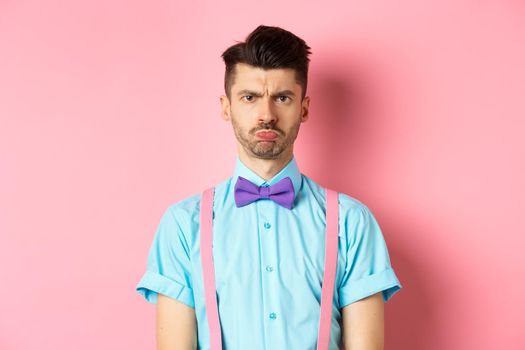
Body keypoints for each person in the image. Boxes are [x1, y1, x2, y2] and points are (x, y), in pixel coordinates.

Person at [136, 25, 402, 350]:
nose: (267, 115)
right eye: (250, 97)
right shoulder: (182, 224)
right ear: (226, 106)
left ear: (303, 108)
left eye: (282, 98)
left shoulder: (351, 222)